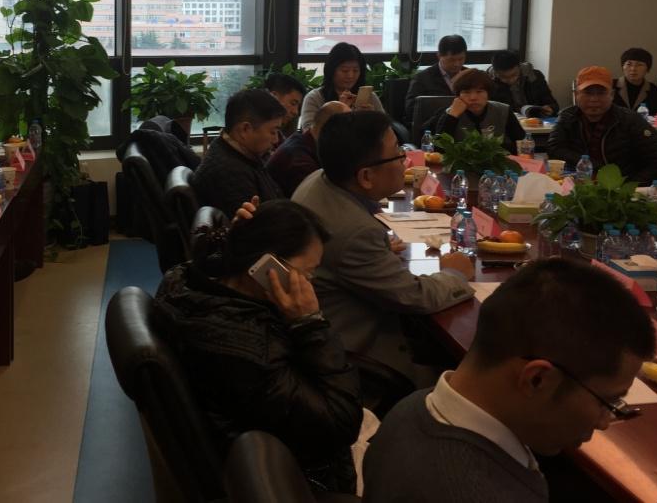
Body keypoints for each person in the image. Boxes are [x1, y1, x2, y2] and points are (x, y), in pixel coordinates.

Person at [362, 259, 655, 503]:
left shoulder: (412, 408)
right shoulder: (477, 492)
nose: (604, 422)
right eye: (607, 402)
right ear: (537, 379)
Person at [155, 200, 363, 493]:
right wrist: (311, 324)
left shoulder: (189, 283)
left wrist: (236, 241)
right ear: (267, 269)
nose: (310, 284)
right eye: (307, 273)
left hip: (266, 430)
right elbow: (341, 425)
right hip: (300, 474)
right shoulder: (246, 348)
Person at [292, 111, 474, 383]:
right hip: (364, 365)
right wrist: (455, 274)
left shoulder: (320, 178)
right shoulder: (355, 233)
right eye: (397, 153)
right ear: (366, 176)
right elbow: (415, 297)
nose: (405, 161)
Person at [548, 66, 657, 185]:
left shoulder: (631, 121)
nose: (594, 99)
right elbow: (554, 148)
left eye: (601, 93)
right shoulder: (567, 117)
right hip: (579, 185)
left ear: (612, 95)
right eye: (588, 93)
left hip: (623, 187)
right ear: (576, 94)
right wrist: (592, 165)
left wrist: (625, 187)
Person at [192, 89, 286, 218]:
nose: (276, 140)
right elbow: (261, 226)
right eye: (273, 132)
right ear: (245, 129)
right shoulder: (229, 173)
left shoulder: (241, 153)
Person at [426, 69, 526, 152]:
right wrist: (452, 117)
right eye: (466, 92)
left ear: (488, 94)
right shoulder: (449, 113)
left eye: (479, 91)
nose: (473, 97)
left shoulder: (503, 110)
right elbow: (438, 150)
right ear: (458, 95)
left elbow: (522, 144)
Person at [266, 101, 350, 197]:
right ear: (334, 130)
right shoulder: (298, 161)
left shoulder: (307, 142)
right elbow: (322, 198)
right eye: (348, 130)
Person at [298, 43, 384, 130]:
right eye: (345, 70)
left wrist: (373, 118)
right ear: (331, 70)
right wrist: (339, 112)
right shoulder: (315, 98)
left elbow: (386, 130)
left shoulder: (369, 97)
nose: (350, 75)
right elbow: (309, 133)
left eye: (355, 70)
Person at [404, 35, 468, 112]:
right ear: (439, 56)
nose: (457, 64)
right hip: (434, 119)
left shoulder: (470, 75)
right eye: (451, 60)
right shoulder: (422, 78)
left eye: (461, 59)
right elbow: (411, 109)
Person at [487, 51, 559, 117]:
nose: (510, 80)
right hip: (507, 121)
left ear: (519, 67)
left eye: (514, 75)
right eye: (503, 77)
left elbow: (552, 103)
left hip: (536, 121)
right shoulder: (489, 82)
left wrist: (551, 108)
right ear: (495, 72)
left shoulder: (535, 77)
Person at [613, 47, 657, 115]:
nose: (633, 69)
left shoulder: (654, 91)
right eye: (629, 64)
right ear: (623, 67)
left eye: (639, 65)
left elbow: (656, 116)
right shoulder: (610, 86)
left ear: (648, 69)